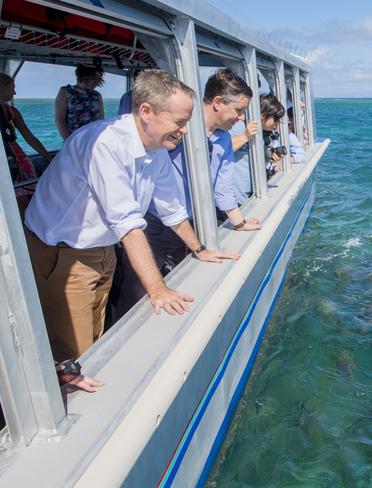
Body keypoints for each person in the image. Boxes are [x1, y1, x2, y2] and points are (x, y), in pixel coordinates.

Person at [24, 69, 239, 361]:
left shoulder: (157, 146)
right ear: (146, 111)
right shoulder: (105, 143)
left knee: (98, 332)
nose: (185, 130)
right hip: (65, 252)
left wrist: (199, 249)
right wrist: (158, 289)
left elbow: (170, 208)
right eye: (180, 122)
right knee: (74, 351)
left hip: (102, 246)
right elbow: (127, 224)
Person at [112, 68, 260, 319]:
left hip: (188, 225)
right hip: (154, 225)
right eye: (239, 110)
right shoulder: (174, 129)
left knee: (179, 287)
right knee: (135, 295)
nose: (242, 118)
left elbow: (222, 188)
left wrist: (240, 222)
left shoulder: (223, 139)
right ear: (217, 103)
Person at [0, 73, 52, 181]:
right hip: (4, 158)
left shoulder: (13, 112)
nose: (15, 92)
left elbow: (29, 137)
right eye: (12, 88)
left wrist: (48, 158)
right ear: (2, 87)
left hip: (17, 156)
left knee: (28, 185)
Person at [54, 64, 105, 140]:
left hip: (94, 140)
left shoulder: (97, 95)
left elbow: (101, 121)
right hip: (74, 140)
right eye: (94, 79)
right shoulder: (66, 92)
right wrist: (69, 142)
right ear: (83, 76)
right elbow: (60, 121)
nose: (96, 83)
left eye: (98, 80)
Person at [259, 93, 286, 178]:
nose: (277, 123)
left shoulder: (268, 135)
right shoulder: (248, 133)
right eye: (276, 119)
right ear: (263, 115)